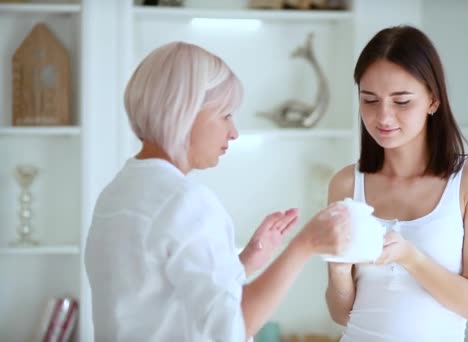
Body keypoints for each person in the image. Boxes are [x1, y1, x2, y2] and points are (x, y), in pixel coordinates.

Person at [84, 41, 351, 342]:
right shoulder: (186, 202)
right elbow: (231, 331)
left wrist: (246, 261)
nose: (234, 132)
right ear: (184, 112)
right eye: (225, 114)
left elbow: (160, 296)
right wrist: (305, 244)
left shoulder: (118, 192)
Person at [325, 25, 468, 342]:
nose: (384, 117)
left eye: (401, 101)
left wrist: (410, 257)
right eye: (370, 100)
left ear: (433, 100)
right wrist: (338, 270)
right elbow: (340, 313)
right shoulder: (346, 183)